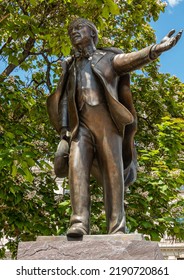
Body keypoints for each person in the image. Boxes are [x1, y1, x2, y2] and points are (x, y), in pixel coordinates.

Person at [47, 18, 182, 237]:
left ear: (92, 34)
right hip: (80, 128)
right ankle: (79, 223)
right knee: (76, 169)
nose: (73, 32)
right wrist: (64, 130)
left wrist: (157, 49)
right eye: (71, 30)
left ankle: (117, 228)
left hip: (108, 126)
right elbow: (64, 99)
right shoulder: (70, 66)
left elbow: (132, 60)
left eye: (79, 28)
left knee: (113, 175)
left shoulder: (109, 58)